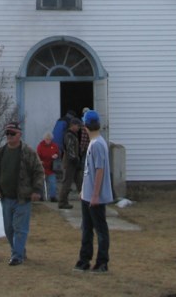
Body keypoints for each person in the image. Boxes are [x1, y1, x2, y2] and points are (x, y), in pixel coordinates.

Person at [0, 121, 45, 266]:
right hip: (5, 198)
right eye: (7, 133)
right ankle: (19, 251)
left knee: (20, 228)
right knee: (9, 229)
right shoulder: (0, 152)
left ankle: (17, 256)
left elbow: (39, 172)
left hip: (23, 199)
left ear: (19, 135)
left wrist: (37, 190)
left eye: (12, 133)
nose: (9, 136)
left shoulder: (28, 152)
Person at [73, 110, 112, 274]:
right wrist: (84, 191)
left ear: (86, 125)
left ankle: (102, 262)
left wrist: (95, 195)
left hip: (94, 197)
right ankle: (84, 260)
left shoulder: (97, 144)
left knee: (100, 229)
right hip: (87, 195)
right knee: (86, 228)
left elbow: (99, 170)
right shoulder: (94, 142)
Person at [58, 118, 83, 209]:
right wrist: (75, 160)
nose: (79, 128)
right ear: (73, 125)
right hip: (70, 161)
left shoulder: (73, 135)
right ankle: (62, 202)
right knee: (67, 182)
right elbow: (70, 149)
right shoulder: (69, 135)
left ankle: (85, 200)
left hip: (74, 161)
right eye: (78, 126)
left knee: (80, 181)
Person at [36, 131, 60, 202]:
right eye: (47, 139)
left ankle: (53, 196)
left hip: (51, 167)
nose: (48, 141)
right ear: (44, 139)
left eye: (49, 139)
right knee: (41, 183)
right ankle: (41, 197)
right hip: (42, 167)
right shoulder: (40, 146)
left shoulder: (54, 146)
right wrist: (40, 161)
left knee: (53, 183)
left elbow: (58, 153)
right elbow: (37, 156)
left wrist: (56, 155)